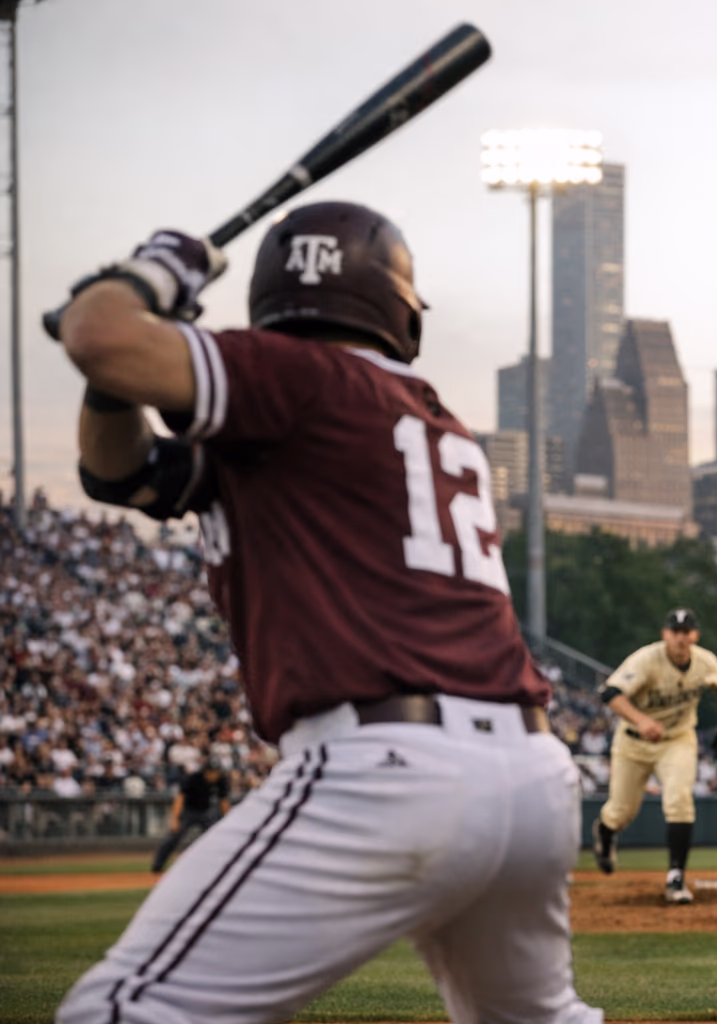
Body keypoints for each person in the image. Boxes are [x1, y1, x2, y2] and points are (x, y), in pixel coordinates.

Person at [52, 205, 600, 1024]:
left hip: (386, 768)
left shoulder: (298, 381)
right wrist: (118, 375)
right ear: (393, 305)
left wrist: (156, 271)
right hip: (530, 777)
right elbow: (119, 472)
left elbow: (98, 333)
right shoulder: (413, 413)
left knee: (118, 1011)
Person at [591, 608, 717, 904]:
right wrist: (641, 720)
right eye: (675, 631)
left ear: (695, 635)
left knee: (679, 800)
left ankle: (675, 877)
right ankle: (605, 833)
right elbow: (610, 693)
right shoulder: (646, 659)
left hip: (677, 740)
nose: (681, 637)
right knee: (620, 813)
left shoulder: (704, 661)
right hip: (633, 743)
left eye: (687, 632)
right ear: (665, 634)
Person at [150, 758, 230, 873]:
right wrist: (175, 819)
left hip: (206, 811)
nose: (215, 775)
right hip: (189, 811)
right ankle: (157, 866)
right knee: (173, 837)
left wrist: (227, 821)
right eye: (213, 772)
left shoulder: (220, 780)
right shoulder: (194, 778)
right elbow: (180, 798)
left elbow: (224, 801)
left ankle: (220, 867)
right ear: (206, 771)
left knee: (217, 838)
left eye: (217, 772)